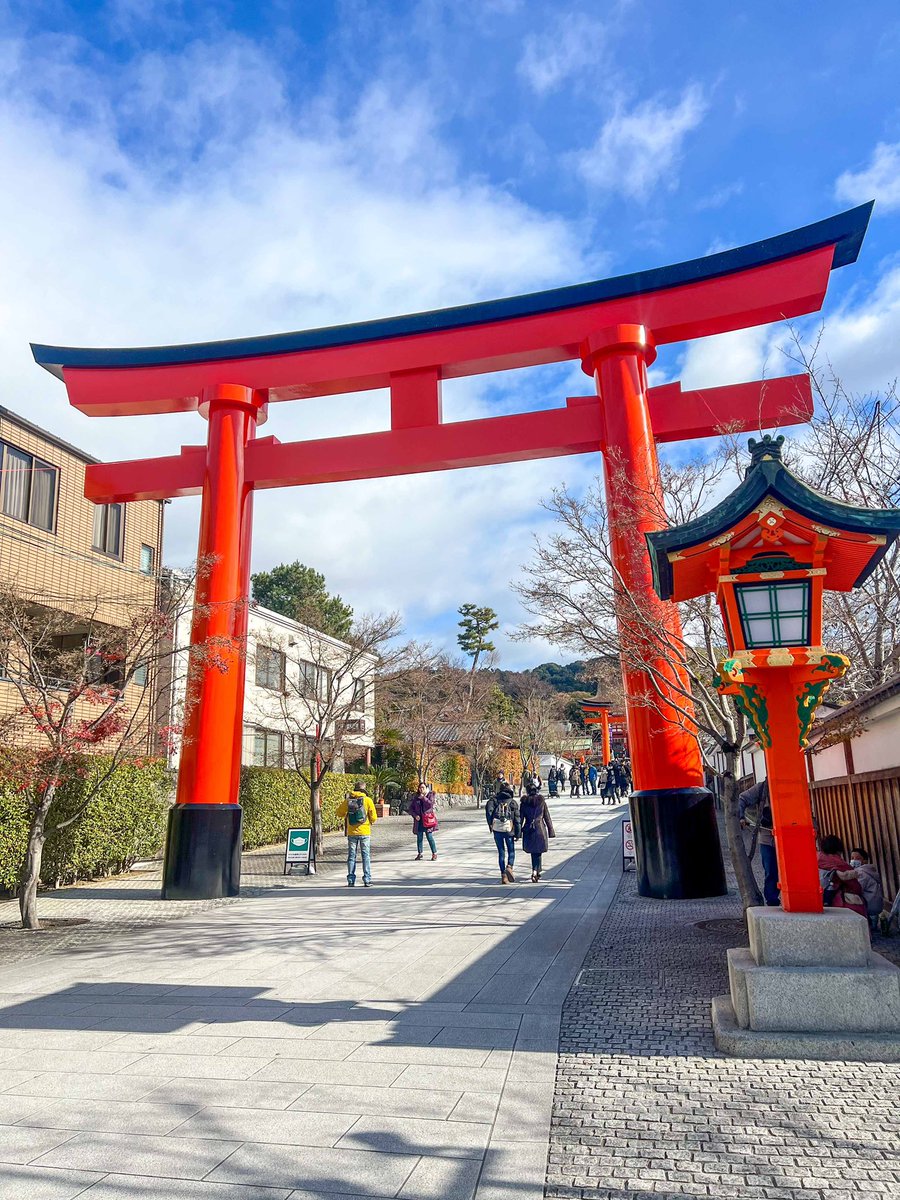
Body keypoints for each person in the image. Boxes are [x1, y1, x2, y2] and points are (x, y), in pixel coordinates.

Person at [739, 778, 778, 906]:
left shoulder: (792, 783)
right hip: (767, 837)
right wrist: (741, 816)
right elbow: (742, 798)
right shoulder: (762, 788)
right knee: (770, 870)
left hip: (790, 835)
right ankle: (772, 900)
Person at [338, 781, 378, 888]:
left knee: (351, 856)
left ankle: (351, 880)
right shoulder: (368, 800)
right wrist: (370, 822)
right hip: (365, 832)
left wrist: (347, 814)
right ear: (364, 790)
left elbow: (338, 812)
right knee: (366, 856)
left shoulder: (348, 801)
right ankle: (367, 879)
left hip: (352, 832)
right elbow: (374, 817)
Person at [817, 834, 866, 917]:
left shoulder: (816, 859)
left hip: (820, 901)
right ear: (838, 849)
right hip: (839, 904)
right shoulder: (839, 864)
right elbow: (855, 887)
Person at [485, 783, 521, 884]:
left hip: (497, 829)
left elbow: (489, 813)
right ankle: (509, 866)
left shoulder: (494, 801)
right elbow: (517, 819)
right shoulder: (512, 802)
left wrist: (490, 825)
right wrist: (518, 833)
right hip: (509, 829)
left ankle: (503, 876)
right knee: (511, 850)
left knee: (501, 852)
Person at [521, 782, 556, 882]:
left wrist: (518, 832)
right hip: (540, 827)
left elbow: (520, 818)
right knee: (538, 851)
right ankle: (536, 870)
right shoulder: (542, 802)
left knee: (533, 851)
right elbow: (547, 817)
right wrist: (551, 830)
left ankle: (535, 870)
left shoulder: (524, 803)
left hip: (529, 828)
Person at [849, 847, 884, 929]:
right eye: (852, 858)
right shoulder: (869, 870)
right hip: (875, 904)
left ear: (865, 861)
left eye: (857, 858)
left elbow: (856, 888)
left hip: (869, 906)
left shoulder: (862, 873)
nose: (854, 860)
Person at [409, 780, 439, 861]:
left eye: (423, 788)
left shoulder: (430, 795)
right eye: (420, 788)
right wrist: (415, 816)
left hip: (428, 820)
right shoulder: (416, 797)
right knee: (419, 837)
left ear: (426, 788)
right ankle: (420, 853)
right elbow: (411, 809)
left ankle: (434, 853)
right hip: (419, 821)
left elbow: (430, 804)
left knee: (429, 837)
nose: (421, 789)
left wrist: (423, 798)